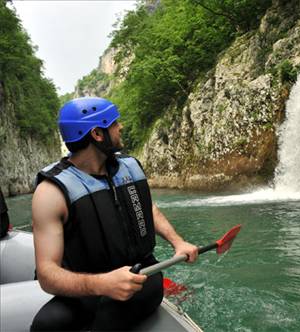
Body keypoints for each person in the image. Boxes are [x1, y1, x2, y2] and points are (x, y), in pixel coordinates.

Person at [30, 97, 198, 331]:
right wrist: (102, 284)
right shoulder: (50, 192)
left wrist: (178, 242)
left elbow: (148, 208)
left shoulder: (130, 168)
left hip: (141, 277)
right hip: (86, 287)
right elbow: (47, 275)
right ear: (97, 133)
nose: (121, 127)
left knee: (107, 318)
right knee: (45, 325)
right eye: (114, 122)